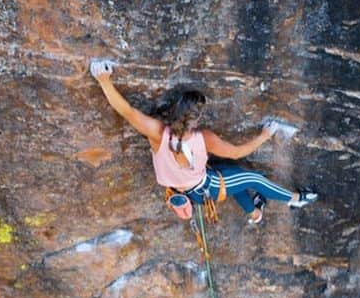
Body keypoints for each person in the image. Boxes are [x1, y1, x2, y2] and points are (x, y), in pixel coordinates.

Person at [90, 61, 317, 224]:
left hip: (188, 192)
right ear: (197, 118)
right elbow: (238, 152)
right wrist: (264, 136)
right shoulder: (203, 138)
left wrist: (103, 80)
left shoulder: (159, 134)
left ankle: (255, 214)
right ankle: (294, 199)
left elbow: (127, 112)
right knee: (253, 179)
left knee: (233, 175)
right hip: (206, 187)